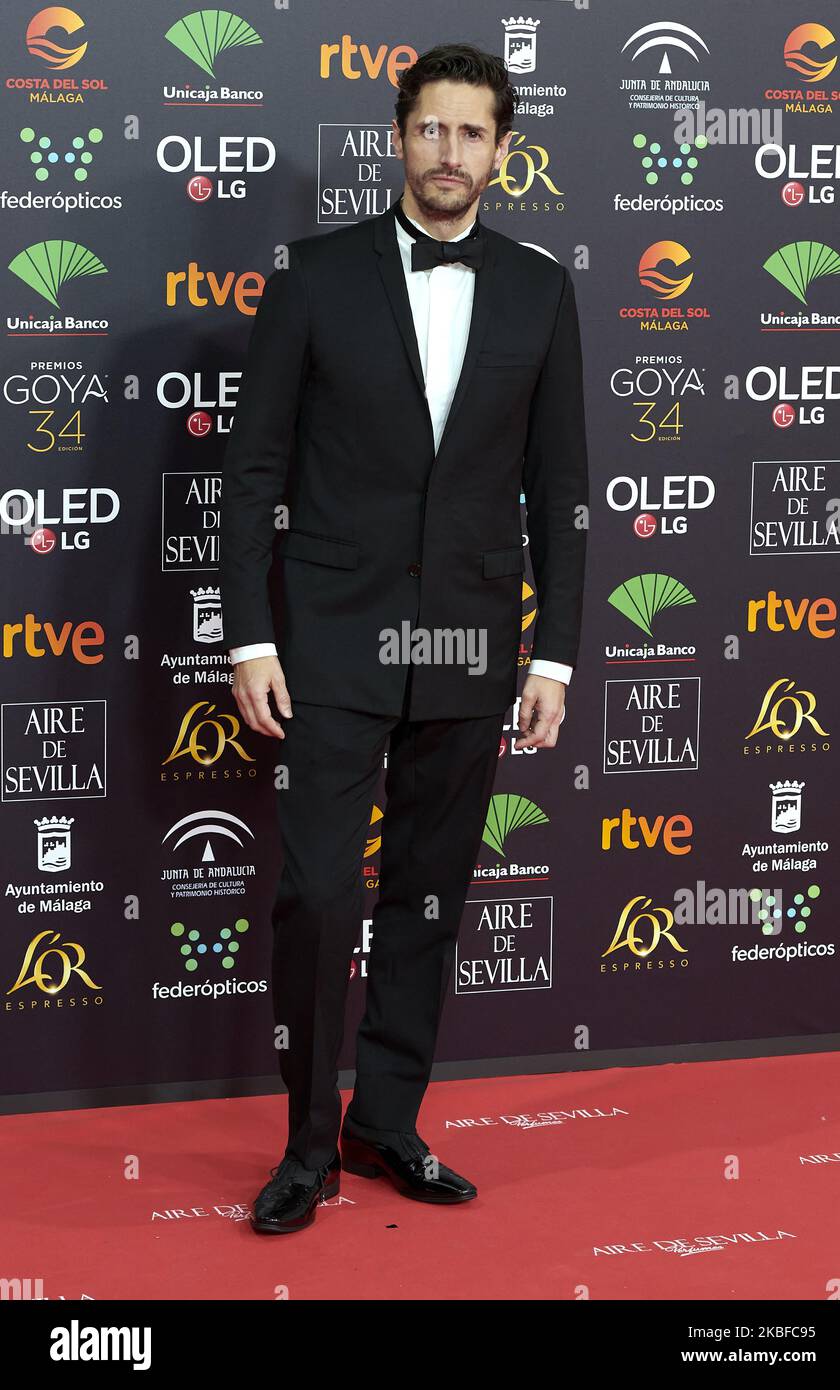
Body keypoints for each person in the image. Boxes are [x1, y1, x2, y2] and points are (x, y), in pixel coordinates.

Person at [218, 42, 588, 1234]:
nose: (448, 153)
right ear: (396, 136)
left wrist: (553, 654)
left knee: (429, 893)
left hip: (474, 643)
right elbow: (253, 469)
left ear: (501, 152)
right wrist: (246, 636)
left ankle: (387, 1126)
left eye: (471, 134)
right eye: (429, 130)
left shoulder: (539, 287)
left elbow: (560, 481)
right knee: (322, 893)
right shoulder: (317, 275)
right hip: (329, 636)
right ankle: (304, 1148)